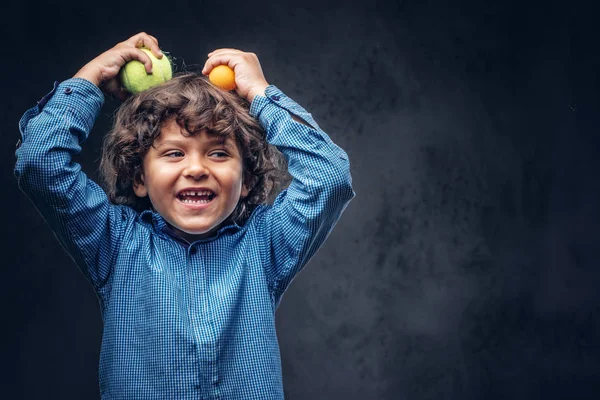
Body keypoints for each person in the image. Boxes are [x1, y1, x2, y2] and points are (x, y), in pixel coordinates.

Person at [15, 32, 354, 399]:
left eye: (219, 153)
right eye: (174, 154)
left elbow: (329, 176)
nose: (196, 168)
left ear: (246, 180)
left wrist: (260, 93)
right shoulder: (114, 244)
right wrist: (90, 79)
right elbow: (39, 162)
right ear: (139, 178)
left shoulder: (264, 245)